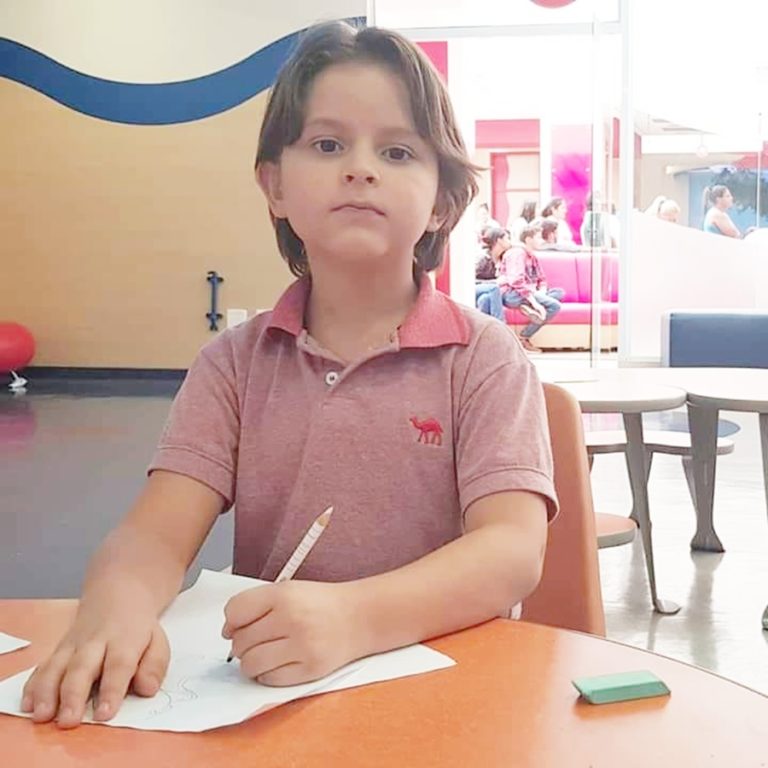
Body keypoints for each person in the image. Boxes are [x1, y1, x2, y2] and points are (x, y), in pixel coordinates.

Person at [22, 22, 556, 729]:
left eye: (397, 151)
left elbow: (511, 551)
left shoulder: (485, 358)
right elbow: (154, 536)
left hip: (449, 703)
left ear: (442, 201)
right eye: (328, 145)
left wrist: (356, 617)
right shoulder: (234, 365)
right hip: (273, 705)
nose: (360, 168)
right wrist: (115, 606)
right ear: (274, 184)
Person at [498, 223, 565, 353]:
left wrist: (542, 292)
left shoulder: (532, 255)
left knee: (559, 293)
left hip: (529, 292)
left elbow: (542, 278)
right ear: (528, 239)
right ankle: (524, 337)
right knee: (554, 306)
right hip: (512, 294)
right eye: (538, 237)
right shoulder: (517, 253)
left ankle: (526, 306)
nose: (541, 240)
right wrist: (535, 302)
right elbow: (516, 281)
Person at [475, 231, 505, 321]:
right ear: (499, 241)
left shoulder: (505, 258)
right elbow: (472, 280)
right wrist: (493, 282)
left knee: (485, 299)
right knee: (494, 288)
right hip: (477, 288)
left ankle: (484, 327)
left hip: (491, 294)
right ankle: (500, 324)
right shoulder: (483, 259)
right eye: (507, 238)